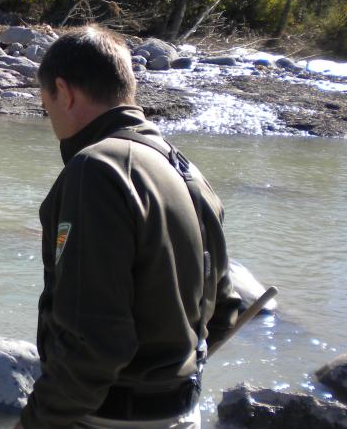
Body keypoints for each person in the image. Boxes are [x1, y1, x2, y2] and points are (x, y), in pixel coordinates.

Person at [16, 27, 243, 429]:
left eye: (46, 105)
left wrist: (34, 422)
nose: (50, 120)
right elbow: (224, 309)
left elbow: (94, 344)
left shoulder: (94, 171)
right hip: (182, 412)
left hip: (107, 417)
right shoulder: (187, 172)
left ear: (65, 93)